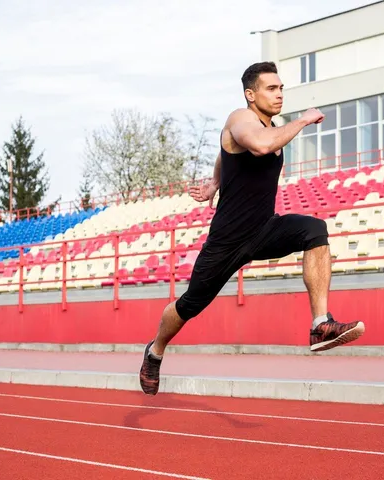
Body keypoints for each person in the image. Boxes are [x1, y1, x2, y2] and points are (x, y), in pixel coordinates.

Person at [139, 61, 365, 395]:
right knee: (190, 305)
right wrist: (303, 120)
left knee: (314, 230)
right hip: (227, 240)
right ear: (250, 94)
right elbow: (258, 145)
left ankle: (320, 324)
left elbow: (228, 150)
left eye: (281, 88)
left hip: (263, 229)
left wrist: (215, 181)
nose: (279, 94)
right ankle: (155, 350)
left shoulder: (268, 126)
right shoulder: (240, 119)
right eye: (271, 89)